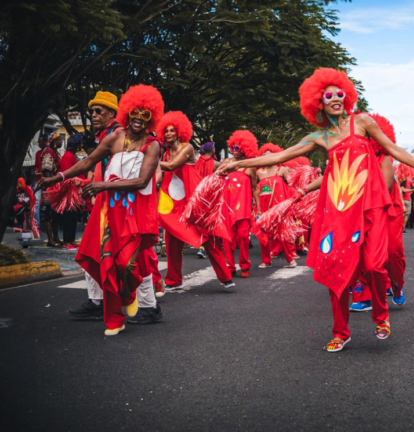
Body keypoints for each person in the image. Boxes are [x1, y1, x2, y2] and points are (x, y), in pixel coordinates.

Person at [217, 68, 414, 352]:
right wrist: (238, 164)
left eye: (340, 94)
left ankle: (381, 315)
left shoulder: (362, 122)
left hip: (370, 206)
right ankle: (341, 331)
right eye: (328, 96)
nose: (336, 98)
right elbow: (280, 155)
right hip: (338, 211)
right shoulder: (319, 138)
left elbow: (392, 148)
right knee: (338, 272)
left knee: (374, 265)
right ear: (318, 103)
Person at [38, 84, 165, 335]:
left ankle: (141, 301)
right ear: (126, 113)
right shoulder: (113, 138)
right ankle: (112, 310)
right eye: (134, 113)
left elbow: (142, 181)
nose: (139, 118)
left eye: (145, 114)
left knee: (130, 259)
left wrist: (103, 185)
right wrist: (58, 177)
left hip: (135, 211)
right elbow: (88, 161)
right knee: (105, 257)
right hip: (110, 210)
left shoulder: (153, 145)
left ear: (152, 118)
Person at [156, 111, 234, 291]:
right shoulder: (165, 152)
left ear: (179, 132)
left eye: (172, 130)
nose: (168, 133)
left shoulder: (188, 147)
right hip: (174, 203)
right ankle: (174, 280)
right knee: (173, 240)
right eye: (166, 131)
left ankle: (225, 276)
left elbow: (173, 166)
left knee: (206, 237)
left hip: (193, 200)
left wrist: (147, 159)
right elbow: (161, 174)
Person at [66, 91, 122, 319]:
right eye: (92, 111)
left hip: (116, 203)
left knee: (127, 255)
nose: (93, 115)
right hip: (104, 202)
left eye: (98, 111)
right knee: (93, 251)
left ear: (111, 112)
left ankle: (146, 304)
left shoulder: (117, 134)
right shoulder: (106, 134)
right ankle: (98, 301)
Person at [350, 113, 408, 311]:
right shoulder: (351, 158)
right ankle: (363, 295)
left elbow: (386, 186)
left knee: (392, 252)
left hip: (387, 209)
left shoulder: (384, 158)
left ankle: (397, 284)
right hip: (358, 212)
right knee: (360, 251)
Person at [222, 130, 259, 278]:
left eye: (237, 148)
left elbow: (255, 189)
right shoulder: (225, 164)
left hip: (243, 208)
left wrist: (259, 209)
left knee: (243, 237)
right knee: (227, 239)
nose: (233, 151)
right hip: (226, 207)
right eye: (232, 148)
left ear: (244, 148)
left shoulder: (250, 167)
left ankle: (245, 266)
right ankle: (230, 266)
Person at [254, 143, 297, 268]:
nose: (266, 156)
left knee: (281, 233)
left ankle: (289, 259)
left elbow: (291, 186)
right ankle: (266, 261)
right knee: (263, 234)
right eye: (264, 154)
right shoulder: (259, 172)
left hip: (279, 208)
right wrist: (257, 209)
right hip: (264, 207)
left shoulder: (282, 170)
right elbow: (256, 191)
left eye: (269, 154)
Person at [58, 133, 87, 250]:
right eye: (81, 143)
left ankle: (71, 240)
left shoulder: (71, 155)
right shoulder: (68, 156)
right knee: (69, 218)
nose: (82, 145)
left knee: (73, 217)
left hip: (73, 192)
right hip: (69, 193)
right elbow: (68, 174)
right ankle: (66, 241)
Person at [39, 133, 63, 247]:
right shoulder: (49, 152)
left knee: (55, 213)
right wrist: (51, 183)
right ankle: (50, 239)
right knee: (48, 213)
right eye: (59, 140)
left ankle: (56, 237)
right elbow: (47, 170)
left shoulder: (54, 152)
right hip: (50, 187)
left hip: (55, 185)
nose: (61, 142)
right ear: (54, 141)